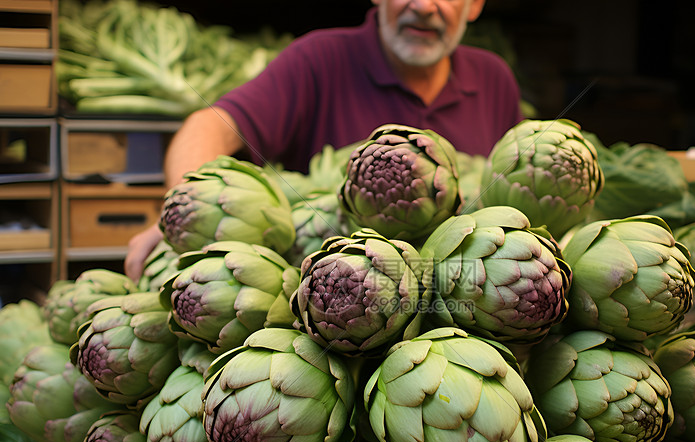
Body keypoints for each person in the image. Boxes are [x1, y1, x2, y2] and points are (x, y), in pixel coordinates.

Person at [124, 0, 524, 281]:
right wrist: (190, 210)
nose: (423, 5)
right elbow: (208, 124)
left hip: (458, 295)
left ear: (474, 6)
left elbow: (507, 193)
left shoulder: (495, 78)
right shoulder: (318, 59)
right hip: (332, 289)